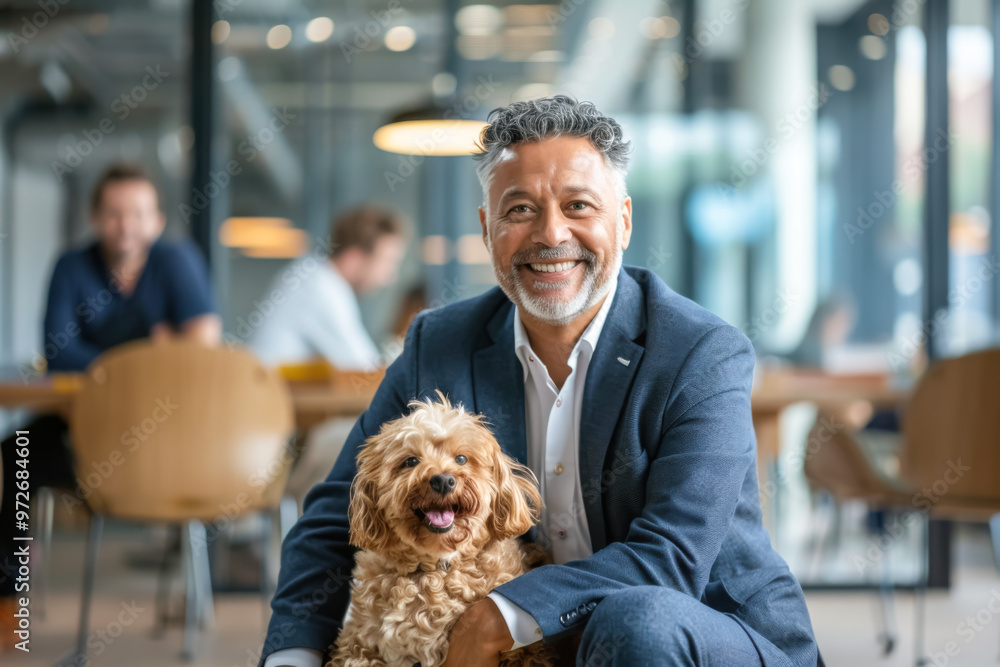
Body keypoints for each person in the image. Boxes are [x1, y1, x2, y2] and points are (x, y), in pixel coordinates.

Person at [261, 97, 821, 667]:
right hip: (539, 655)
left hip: (705, 632)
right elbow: (335, 514)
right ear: (487, 228)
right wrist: (293, 658)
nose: (551, 234)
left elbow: (671, 558)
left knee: (636, 621)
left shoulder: (701, 353)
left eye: (578, 205)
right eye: (520, 209)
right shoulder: (440, 341)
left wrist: (499, 615)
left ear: (623, 221)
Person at [0, 163, 220, 649]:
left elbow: (202, 348)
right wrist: (150, 352)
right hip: (84, 435)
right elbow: (57, 354)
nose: (126, 225)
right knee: (13, 456)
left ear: (157, 220)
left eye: (138, 214)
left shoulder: (176, 260)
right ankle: (9, 588)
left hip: (167, 441)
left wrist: (103, 363)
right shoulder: (72, 266)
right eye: (114, 213)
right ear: (96, 218)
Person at [249, 205, 407, 371]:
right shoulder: (320, 288)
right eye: (387, 263)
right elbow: (365, 369)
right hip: (264, 394)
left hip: (267, 390)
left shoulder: (313, 275)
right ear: (354, 257)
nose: (390, 277)